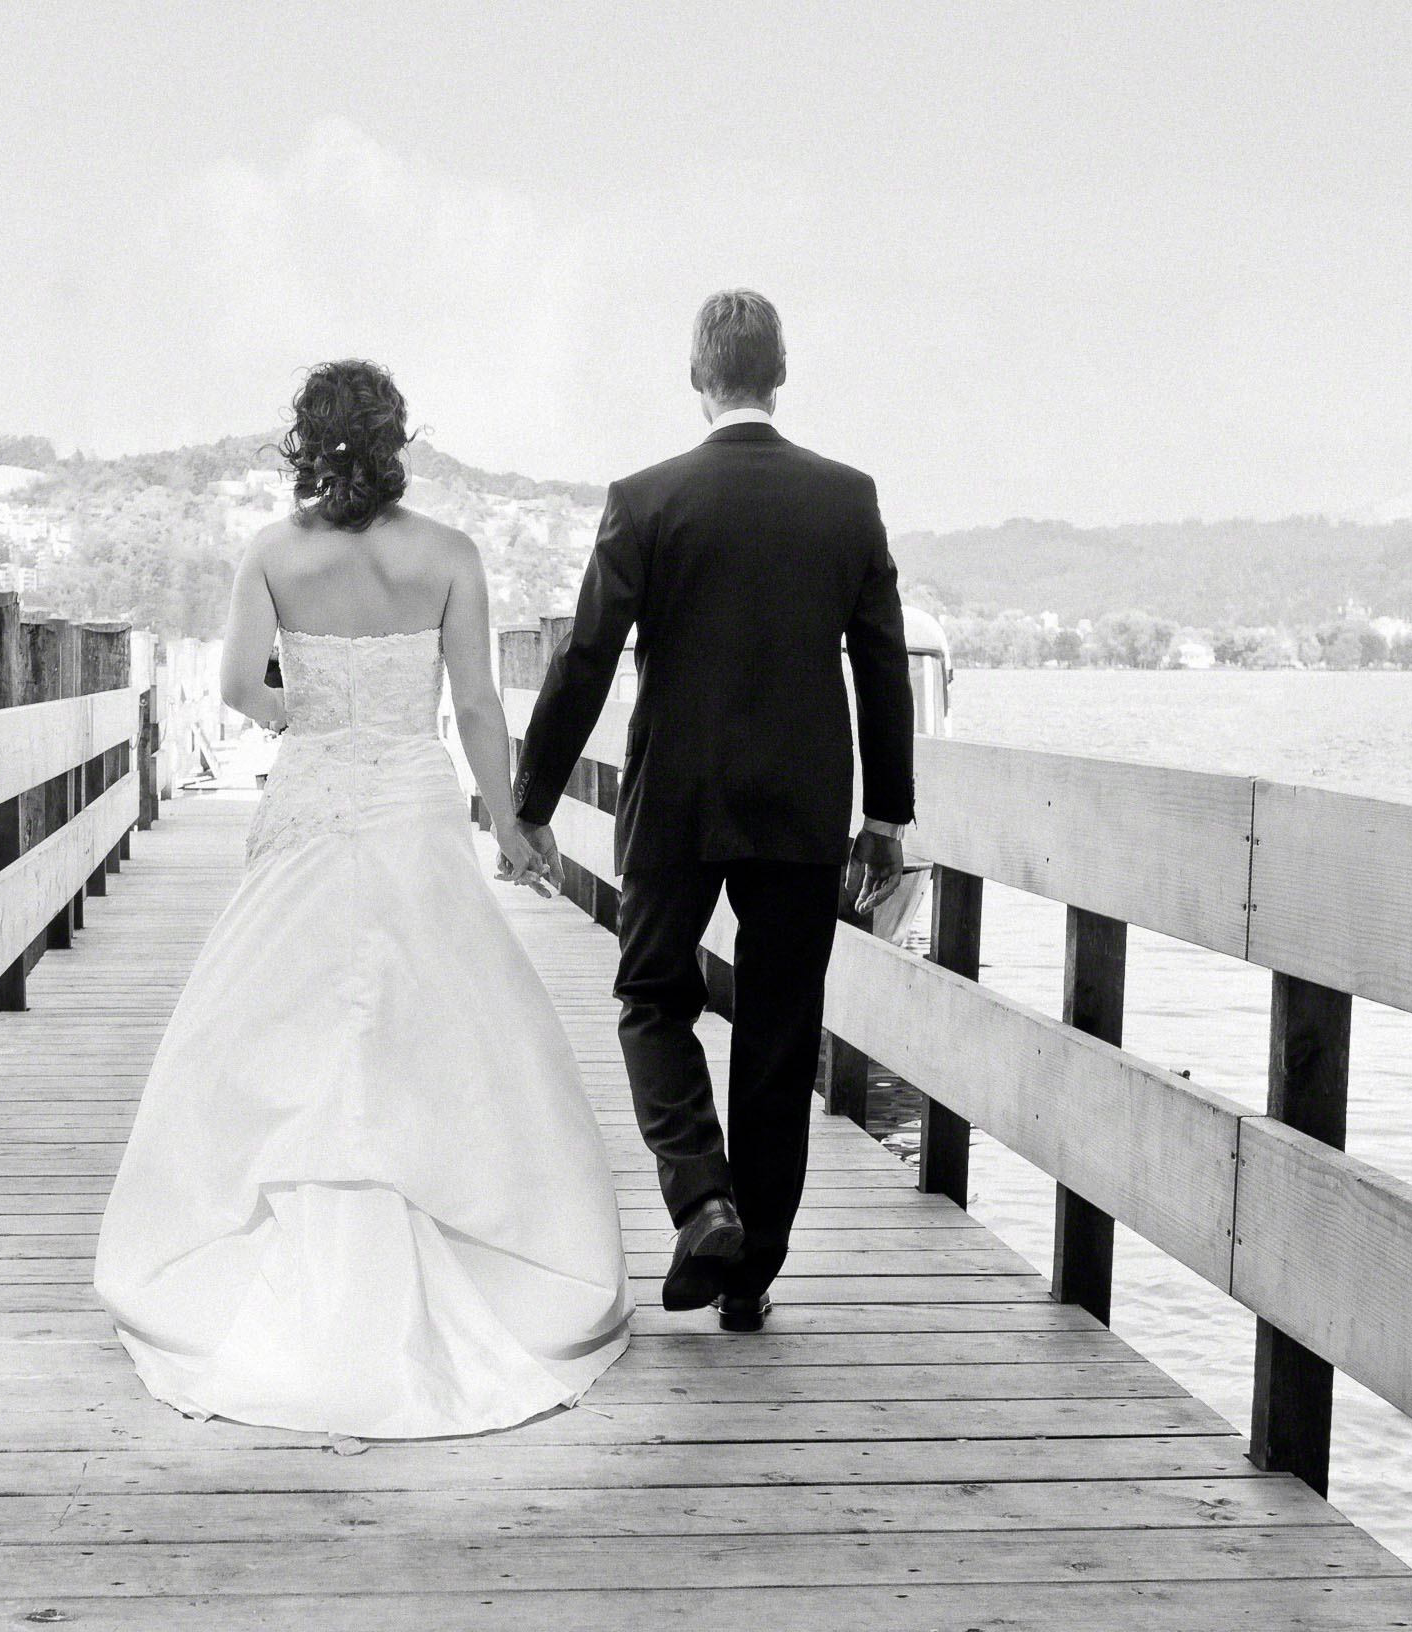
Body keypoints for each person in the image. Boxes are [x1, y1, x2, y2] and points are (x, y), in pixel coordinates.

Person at [93, 360, 631, 1438]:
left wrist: (315, 716)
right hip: (412, 799)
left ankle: (268, 1253)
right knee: (430, 1008)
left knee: (280, 1010)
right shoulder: (447, 556)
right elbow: (476, 702)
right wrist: (513, 817)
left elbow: (244, 687)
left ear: (305, 441)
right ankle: (458, 1240)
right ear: (396, 440)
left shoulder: (272, 554)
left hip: (314, 793)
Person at [514, 290, 915, 1334]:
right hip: (799, 802)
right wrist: (888, 817)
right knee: (779, 1033)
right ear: (780, 374)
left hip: (676, 799)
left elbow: (587, 656)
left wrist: (531, 798)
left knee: (652, 994)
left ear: (696, 376)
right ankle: (751, 1274)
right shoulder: (847, 498)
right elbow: (881, 669)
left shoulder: (645, 499)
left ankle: (702, 1197)